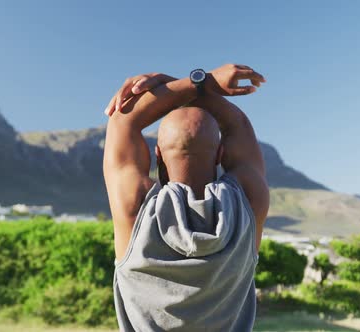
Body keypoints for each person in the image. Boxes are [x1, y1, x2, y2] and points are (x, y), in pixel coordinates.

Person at [103, 64, 269, 332]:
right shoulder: (248, 202)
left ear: (157, 155)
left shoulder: (134, 207)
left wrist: (196, 82)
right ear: (219, 155)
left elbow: (123, 119)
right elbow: (237, 124)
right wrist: (199, 82)